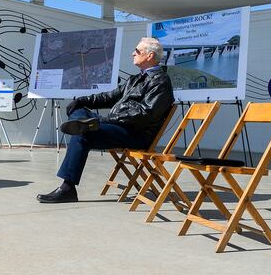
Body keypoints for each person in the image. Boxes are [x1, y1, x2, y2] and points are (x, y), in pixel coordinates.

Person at [37, 37, 174, 204]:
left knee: (84, 134)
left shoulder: (160, 81)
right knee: (79, 110)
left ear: (150, 55)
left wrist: (107, 119)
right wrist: (82, 100)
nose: (133, 53)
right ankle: (82, 123)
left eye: (137, 51)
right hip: (120, 127)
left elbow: (146, 114)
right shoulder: (135, 79)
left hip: (136, 133)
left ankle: (67, 189)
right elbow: (109, 97)